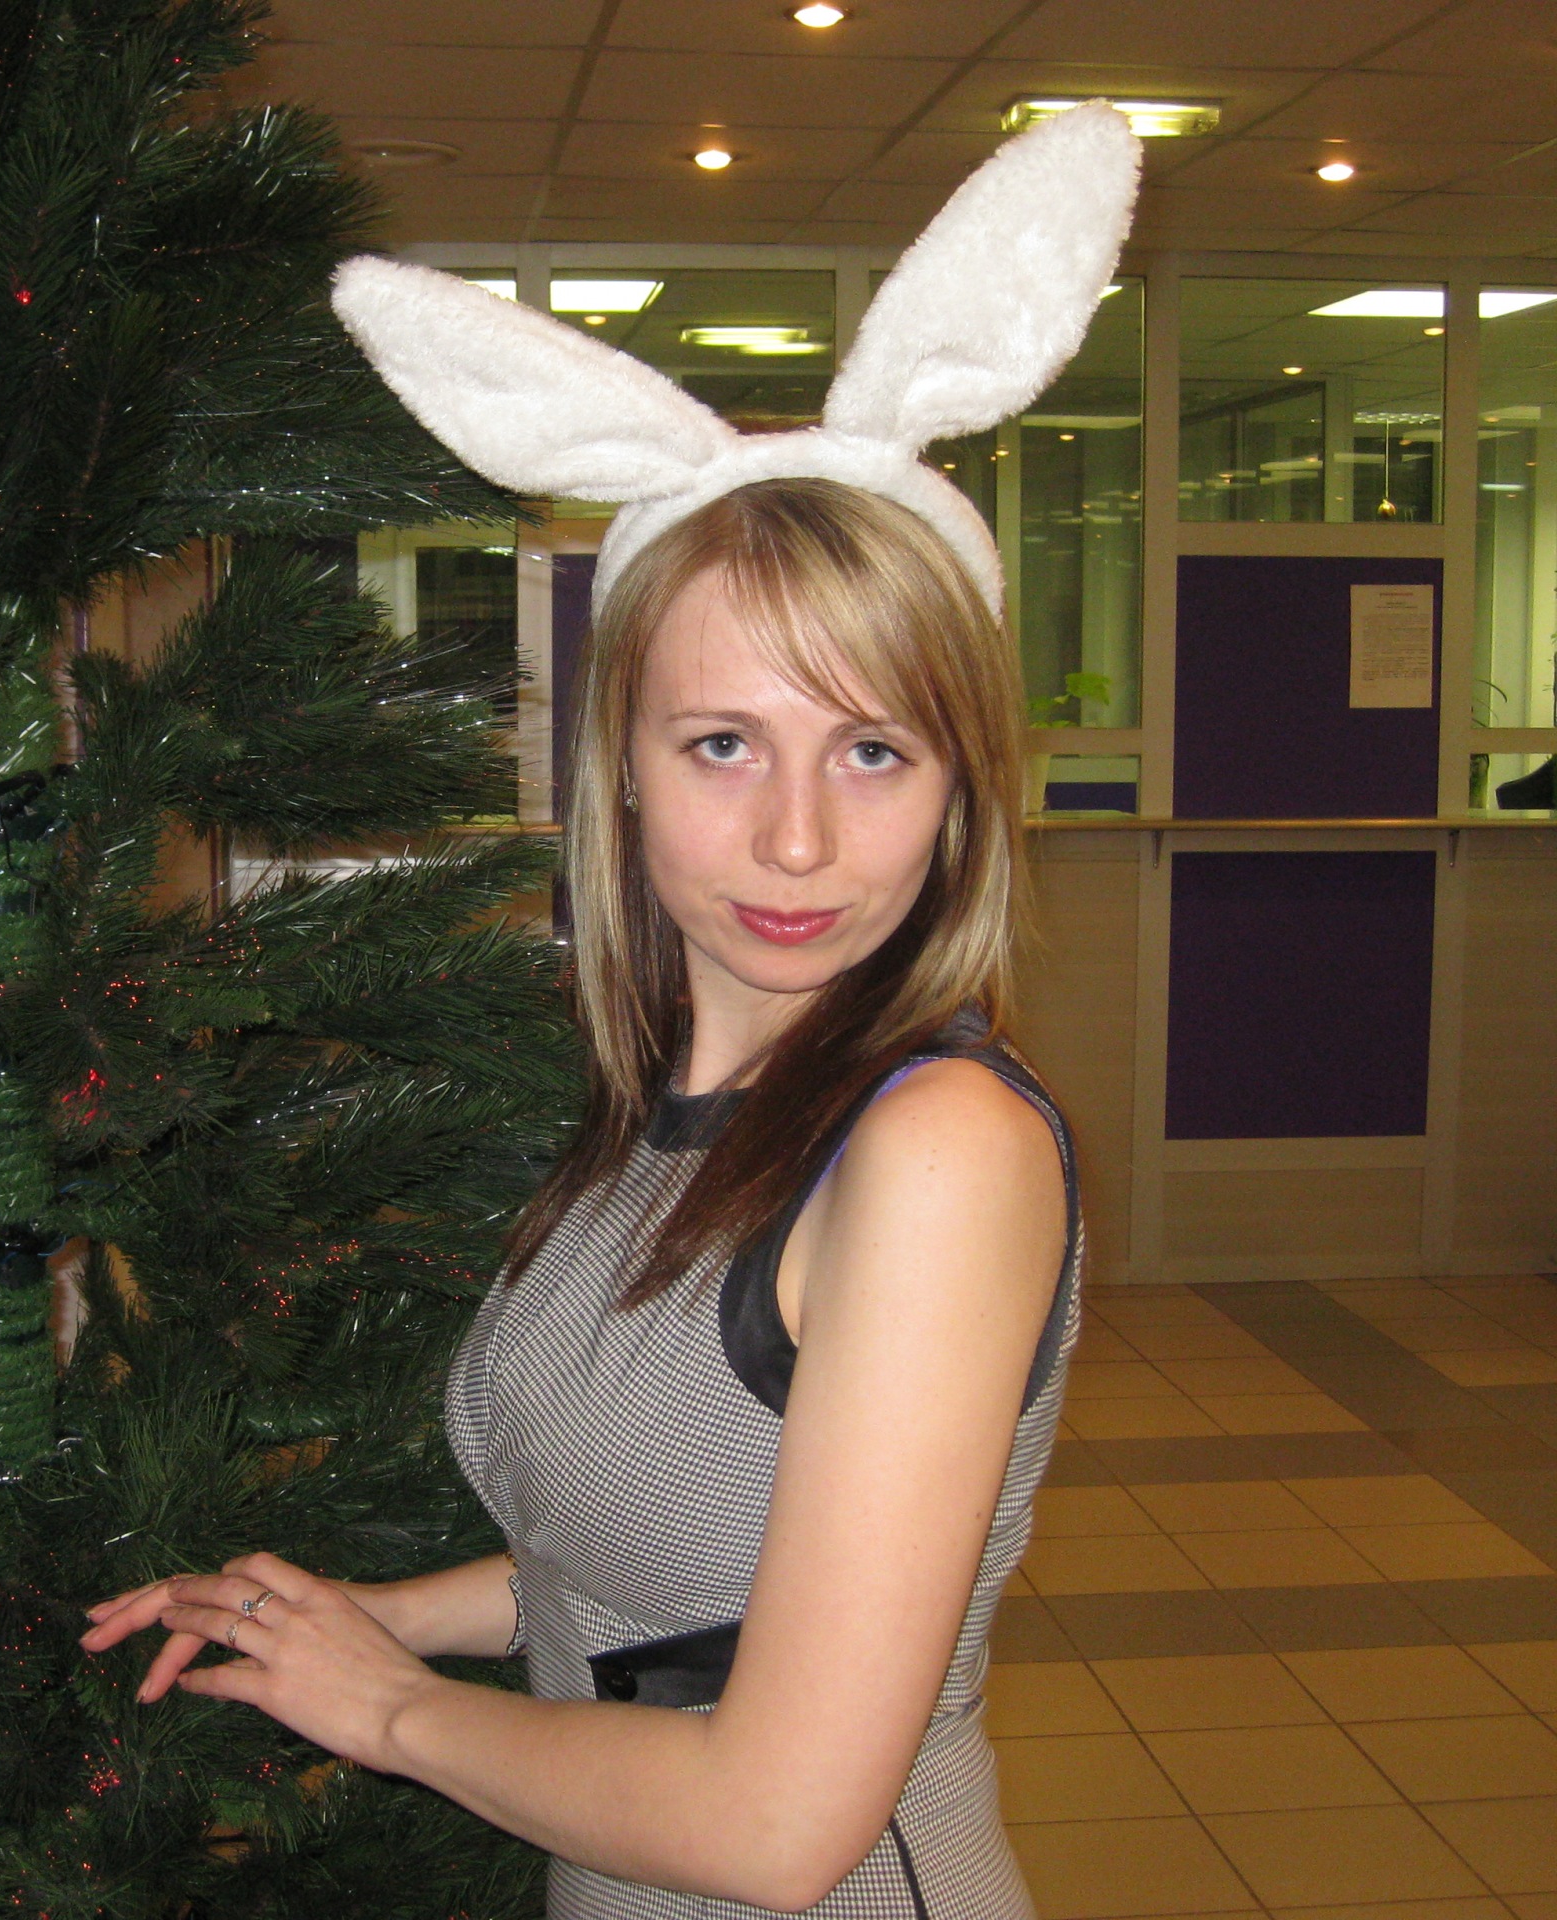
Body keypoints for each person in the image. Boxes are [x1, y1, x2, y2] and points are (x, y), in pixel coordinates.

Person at [80, 101, 1140, 1920]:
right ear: (622, 769)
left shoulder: (936, 1153)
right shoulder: (668, 1114)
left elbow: (776, 1824)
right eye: (723, 742)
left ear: (962, 789)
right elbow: (676, 1567)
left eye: (873, 751)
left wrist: (390, 1713)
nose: (795, 837)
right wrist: (370, 1622)